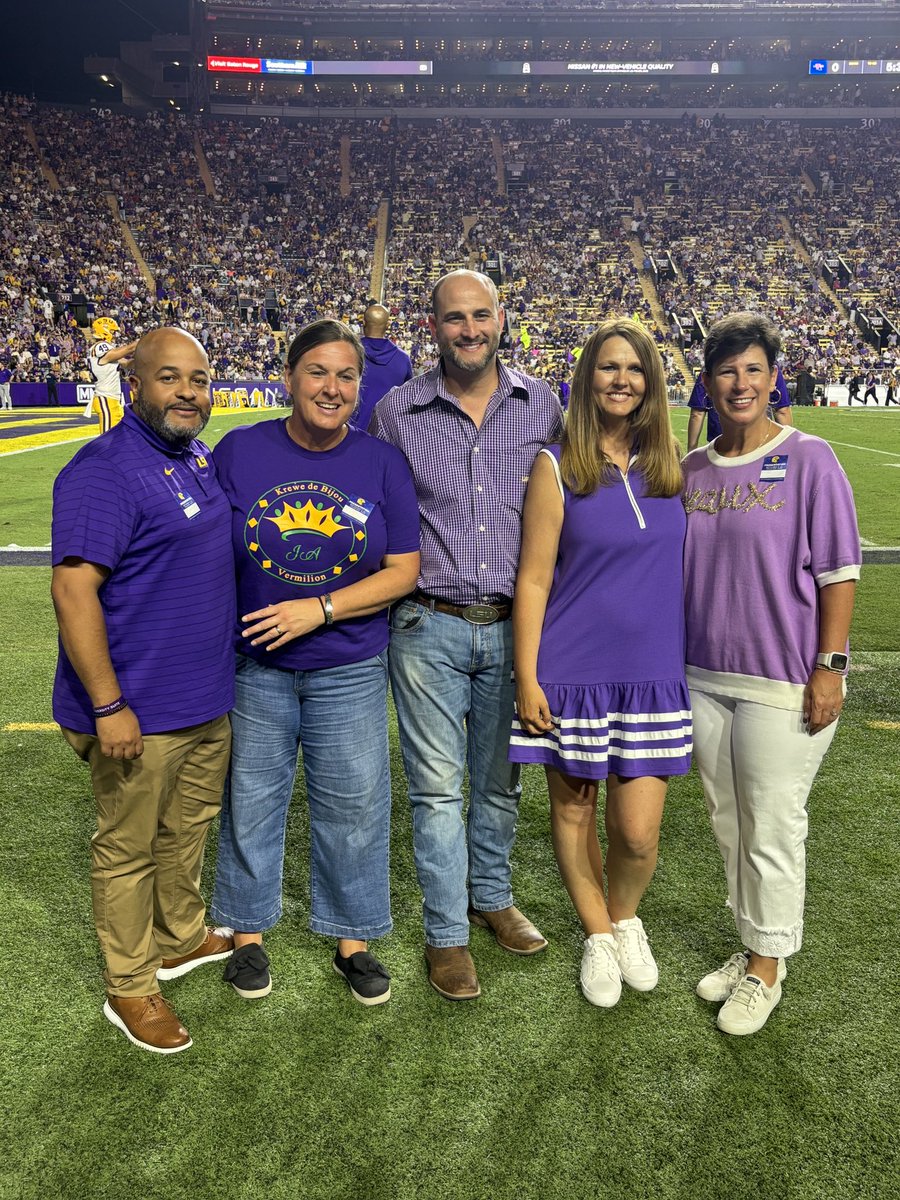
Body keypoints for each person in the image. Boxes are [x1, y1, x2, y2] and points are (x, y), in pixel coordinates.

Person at [209, 319, 420, 1006]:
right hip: (256, 664)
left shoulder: (381, 461)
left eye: (346, 376)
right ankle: (246, 933)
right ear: (289, 378)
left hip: (348, 665)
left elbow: (403, 570)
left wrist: (319, 609)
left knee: (354, 806)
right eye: (318, 372)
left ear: (360, 386)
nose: (333, 388)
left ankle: (352, 940)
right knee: (251, 801)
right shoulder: (240, 450)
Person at [371, 269, 564, 1001]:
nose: (470, 329)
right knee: (435, 790)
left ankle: (492, 896)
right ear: (433, 326)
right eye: (455, 318)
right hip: (428, 623)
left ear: (501, 319)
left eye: (481, 315)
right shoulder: (396, 410)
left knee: (500, 779)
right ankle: (447, 931)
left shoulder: (541, 403)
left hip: (515, 626)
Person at [50, 327, 237, 1054]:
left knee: (186, 829)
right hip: (138, 708)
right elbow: (73, 591)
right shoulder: (105, 469)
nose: (188, 392)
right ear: (136, 387)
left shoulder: (192, 454)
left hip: (203, 698)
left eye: (198, 378)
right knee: (128, 848)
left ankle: (179, 936)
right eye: (169, 378)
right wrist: (107, 704)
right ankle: (130, 984)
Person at [682, 312, 860, 1036]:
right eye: (727, 371)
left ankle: (767, 969)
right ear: (708, 382)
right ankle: (755, 945)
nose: (741, 383)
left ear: (774, 377)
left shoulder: (810, 458)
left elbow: (839, 571)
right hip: (702, 675)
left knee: (773, 823)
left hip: (783, 679)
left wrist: (830, 667)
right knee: (730, 822)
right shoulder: (692, 470)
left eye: (753, 369)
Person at [510, 318, 691, 1008]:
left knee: (638, 834)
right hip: (572, 673)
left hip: (653, 676)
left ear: (651, 382)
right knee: (575, 814)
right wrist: (529, 677)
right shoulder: (556, 466)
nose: (622, 379)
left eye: (635, 368)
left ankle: (623, 919)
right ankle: (597, 934)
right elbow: (534, 579)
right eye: (609, 367)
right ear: (587, 379)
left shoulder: (671, 467)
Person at [686, 364, 792, 451]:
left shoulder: (713, 365)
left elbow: (697, 414)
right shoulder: (766, 363)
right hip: (763, 442)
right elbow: (782, 411)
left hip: (721, 444)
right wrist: (789, 449)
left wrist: (691, 450)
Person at [353, 302, 413, 432]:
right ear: (387, 325)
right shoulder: (403, 359)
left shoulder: (348, 353)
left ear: (363, 323)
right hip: (386, 436)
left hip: (349, 433)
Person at [87, 317, 138, 434]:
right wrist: (143, 343)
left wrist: (142, 359)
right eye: (113, 331)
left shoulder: (107, 351)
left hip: (113, 399)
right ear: (105, 331)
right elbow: (130, 348)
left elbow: (126, 364)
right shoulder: (100, 346)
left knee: (117, 439)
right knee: (108, 439)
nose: (115, 335)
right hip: (106, 398)